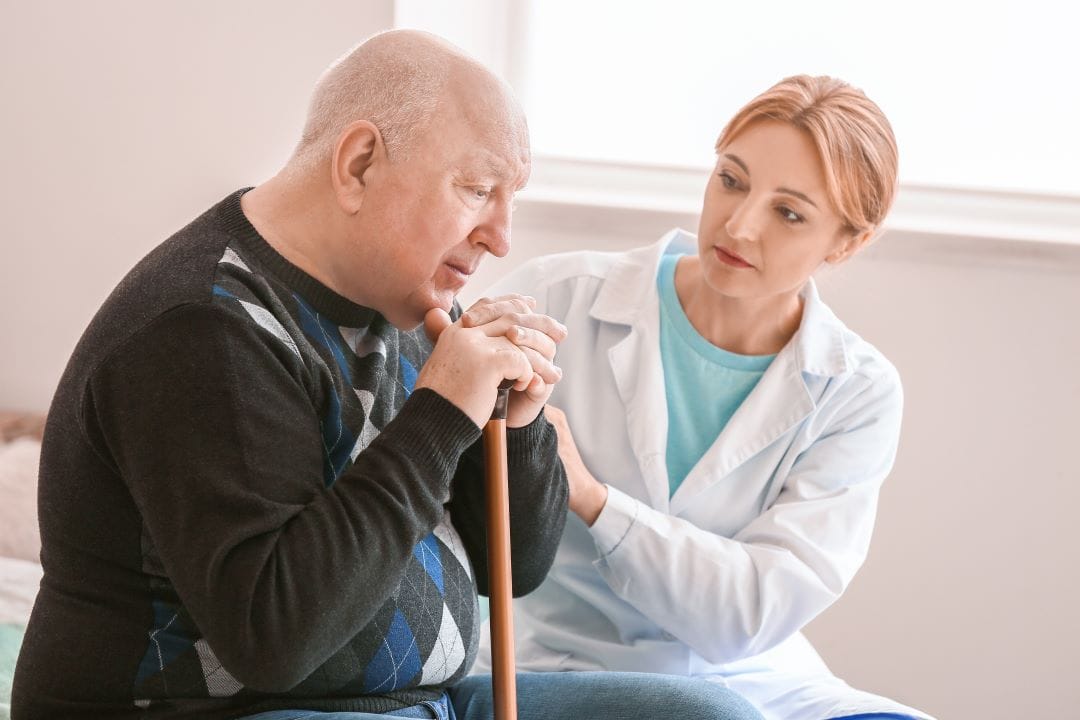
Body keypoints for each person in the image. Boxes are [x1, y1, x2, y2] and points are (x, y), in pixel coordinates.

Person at [12, 29, 762, 720]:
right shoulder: (202, 327)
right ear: (360, 163)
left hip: (412, 701)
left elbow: (514, 571)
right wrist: (439, 413)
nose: (501, 237)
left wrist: (516, 424)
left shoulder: (401, 298)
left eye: (510, 201)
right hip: (227, 712)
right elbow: (276, 638)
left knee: (716, 715)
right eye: (476, 190)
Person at [474, 75, 935, 720]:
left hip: (754, 678)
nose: (739, 225)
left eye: (789, 212)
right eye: (732, 180)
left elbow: (751, 612)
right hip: (560, 664)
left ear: (848, 242)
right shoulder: (559, 299)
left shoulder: (857, 392)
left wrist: (589, 495)